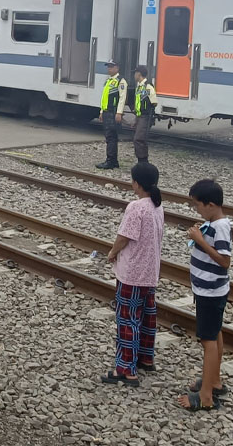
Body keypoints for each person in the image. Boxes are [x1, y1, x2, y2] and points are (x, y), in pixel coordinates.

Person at [102, 162, 165, 386]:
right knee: (147, 316)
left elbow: (124, 236)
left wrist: (112, 252)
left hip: (132, 273)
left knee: (127, 319)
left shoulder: (136, 207)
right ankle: (145, 358)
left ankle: (126, 369)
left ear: (137, 183)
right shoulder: (157, 206)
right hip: (150, 271)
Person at [177, 179, 232, 412]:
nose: (196, 209)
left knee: (207, 340)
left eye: (197, 205)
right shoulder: (215, 223)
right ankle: (214, 381)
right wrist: (200, 234)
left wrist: (201, 241)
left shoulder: (220, 227)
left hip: (210, 291)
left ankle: (206, 396)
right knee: (215, 333)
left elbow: (224, 260)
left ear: (210, 204)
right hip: (210, 290)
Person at [96, 59, 127, 169]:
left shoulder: (120, 81)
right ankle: (113, 161)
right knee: (110, 136)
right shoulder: (108, 81)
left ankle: (110, 161)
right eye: (108, 66)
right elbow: (104, 98)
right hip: (106, 111)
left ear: (117, 68)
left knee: (111, 137)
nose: (109, 68)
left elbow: (122, 98)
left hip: (112, 112)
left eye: (111, 66)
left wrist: (119, 112)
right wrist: (101, 111)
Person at [131, 65, 157, 164]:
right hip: (140, 116)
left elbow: (154, 102)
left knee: (139, 139)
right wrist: (136, 119)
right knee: (138, 139)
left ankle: (143, 161)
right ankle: (140, 160)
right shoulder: (139, 87)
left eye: (135, 73)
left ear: (139, 74)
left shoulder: (148, 87)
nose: (134, 75)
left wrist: (147, 114)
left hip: (145, 116)